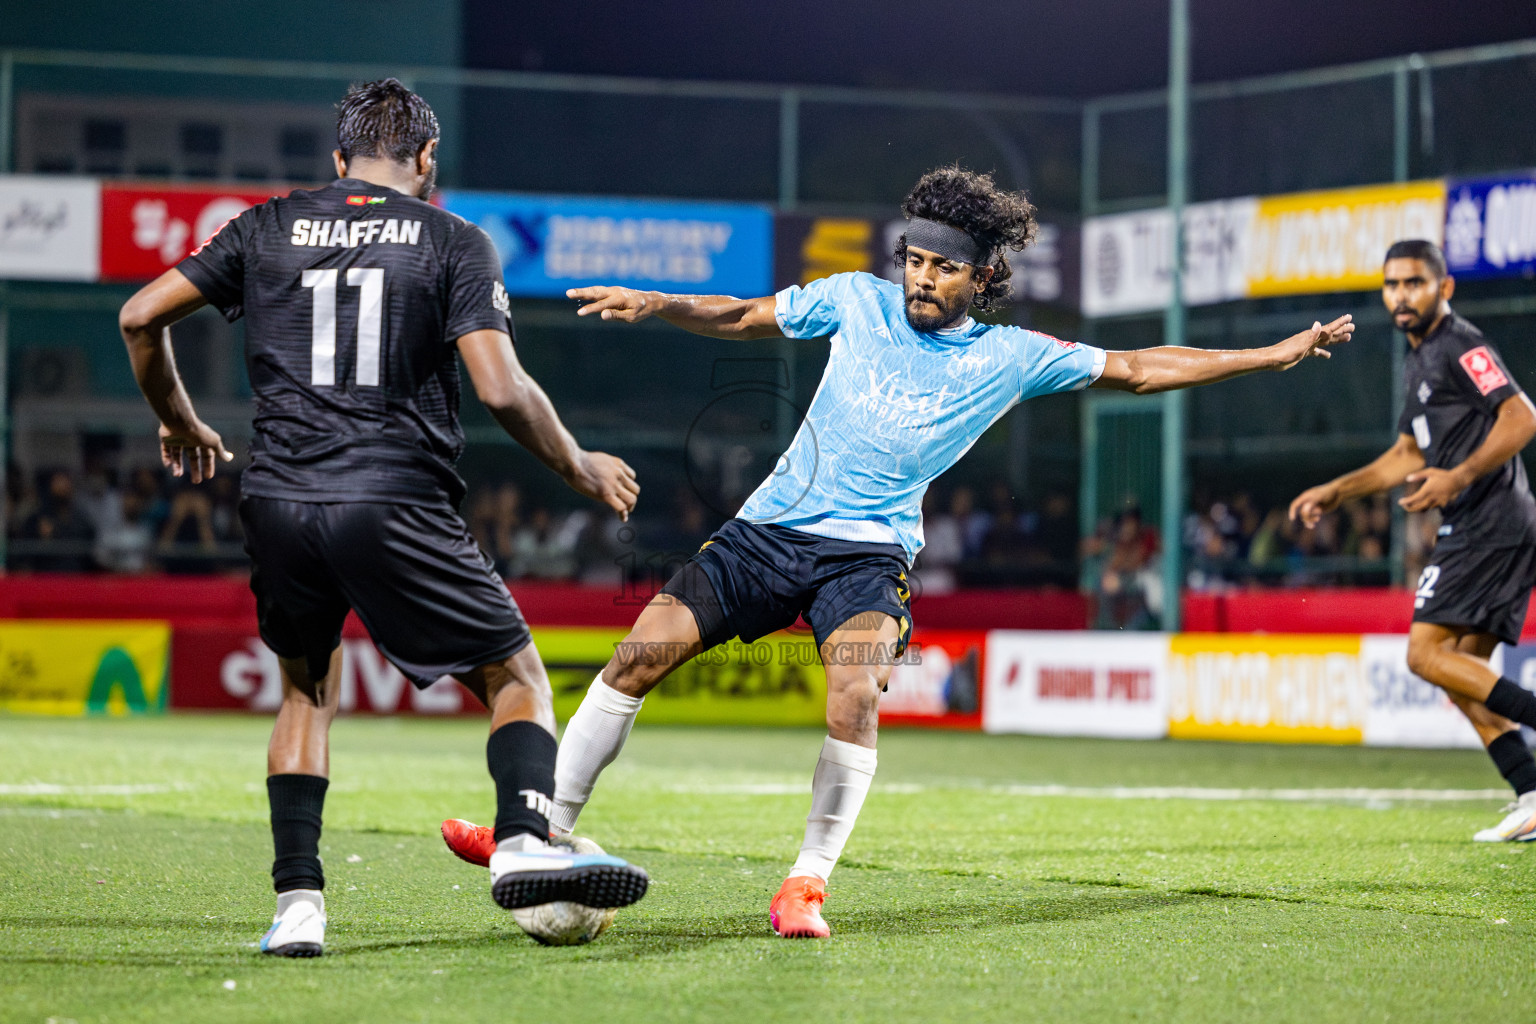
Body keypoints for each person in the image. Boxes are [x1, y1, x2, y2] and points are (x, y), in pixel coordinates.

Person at [439, 166, 1354, 937]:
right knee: (635, 656)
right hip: (767, 532)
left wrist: (1269, 355)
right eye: (914, 260)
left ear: (982, 275)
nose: (921, 278)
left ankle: (806, 881)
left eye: (943, 268)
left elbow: (1142, 367)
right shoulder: (854, 299)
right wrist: (659, 302)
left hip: (868, 560)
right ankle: (540, 830)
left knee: (855, 689)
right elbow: (744, 316)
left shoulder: (1012, 354)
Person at [118, 79, 649, 957]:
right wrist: (580, 464)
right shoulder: (454, 240)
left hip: (280, 498)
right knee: (516, 677)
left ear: (339, 159)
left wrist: (176, 417)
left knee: (304, 689)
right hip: (392, 494)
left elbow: (140, 315)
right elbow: (500, 387)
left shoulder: (264, 226)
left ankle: (298, 909)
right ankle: (520, 841)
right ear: (426, 161)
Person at [1290, 238, 1536, 842]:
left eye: (1415, 283)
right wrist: (1337, 490)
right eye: (1392, 284)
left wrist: (1459, 475)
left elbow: (1522, 416)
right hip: (1486, 521)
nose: (1402, 295)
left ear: (1443, 288)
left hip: (1489, 519)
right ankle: (1531, 791)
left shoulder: (1460, 344)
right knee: (1458, 674)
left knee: (1425, 655)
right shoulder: (1419, 358)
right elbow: (1406, 454)